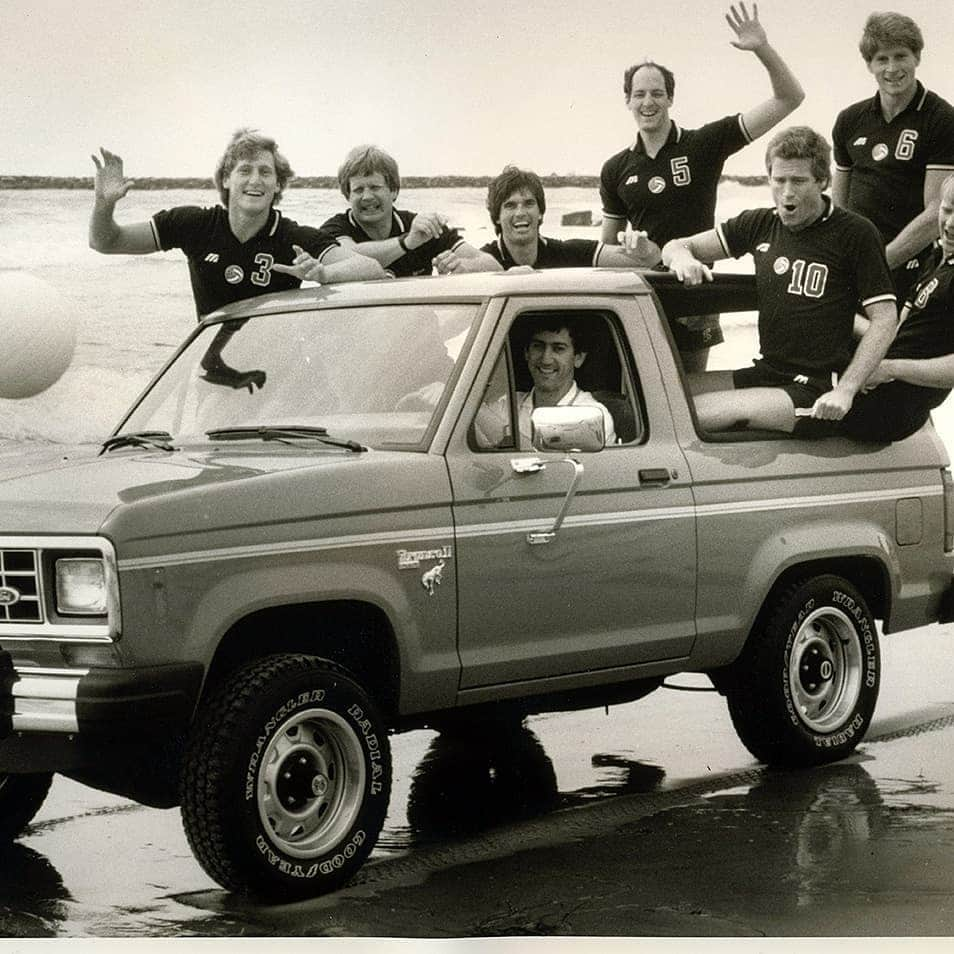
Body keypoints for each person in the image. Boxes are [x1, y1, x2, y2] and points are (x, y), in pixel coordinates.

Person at [600, 3, 804, 369]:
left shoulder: (703, 145)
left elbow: (789, 98)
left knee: (692, 397)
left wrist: (762, 48)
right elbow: (604, 251)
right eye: (640, 94)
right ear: (627, 100)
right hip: (641, 295)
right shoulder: (615, 168)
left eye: (657, 93)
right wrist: (630, 247)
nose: (649, 102)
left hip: (696, 292)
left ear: (671, 98)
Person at [661, 126, 897, 435]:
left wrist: (846, 390)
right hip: (768, 372)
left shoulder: (855, 232)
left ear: (822, 181)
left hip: (817, 386)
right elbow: (677, 245)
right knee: (657, 394)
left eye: (798, 181)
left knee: (685, 416)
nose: (787, 192)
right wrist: (682, 258)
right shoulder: (759, 223)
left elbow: (885, 319)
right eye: (779, 180)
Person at [89, 130, 383, 319]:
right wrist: (104, 205)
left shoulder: (292, 237)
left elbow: (372, 269)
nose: (255, 180)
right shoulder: (193, 224)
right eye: (245, 170)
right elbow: (106, 242)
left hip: (279, 371)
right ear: (227, 179)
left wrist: (323, 273)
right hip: (215, 373)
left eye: (265, 172)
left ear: (277, 184)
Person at [832, 12, 954, 304]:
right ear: (869, 65)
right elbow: (839, 205)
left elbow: (935, 211)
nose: (892, 68)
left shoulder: (942, 119)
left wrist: (877, 265)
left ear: (917, 58)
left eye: (901, 56)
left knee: (897, 348)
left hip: (910, 265)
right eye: (882, 59)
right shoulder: (849, 120)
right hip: (855, 266)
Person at [839, 174, 954, 442]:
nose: (950, 224)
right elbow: (897, 335)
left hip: (891, 410)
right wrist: (837, 314)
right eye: (947, 210)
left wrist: (890, 369)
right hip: (883, 388)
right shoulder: (936, 259)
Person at [433, 166, 659, 274]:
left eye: (529, 203)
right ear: (497, 217)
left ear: (541, 212)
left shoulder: (566, 252)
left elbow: (647, 260)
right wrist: (454, 272)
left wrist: (642, 249)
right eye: (510, 206)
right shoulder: (485, 260)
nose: (520, 212)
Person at [318, 145, 495, 277]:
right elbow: (349, 258)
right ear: (347, 195)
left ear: (394, 191)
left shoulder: (420, 226)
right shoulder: (335, 229)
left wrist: (462, 266)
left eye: (375, 187)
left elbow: (493, 266)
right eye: (358, 190)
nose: (367, 197)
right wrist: (407, 242)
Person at [475, 317, 617, 448]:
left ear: (578, 358)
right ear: (526, 353)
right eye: (538, 346)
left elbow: (554, 469)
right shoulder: (506, 405)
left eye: (558, 349)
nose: (546, 359)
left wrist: (497, 430)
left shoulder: (593, 415)